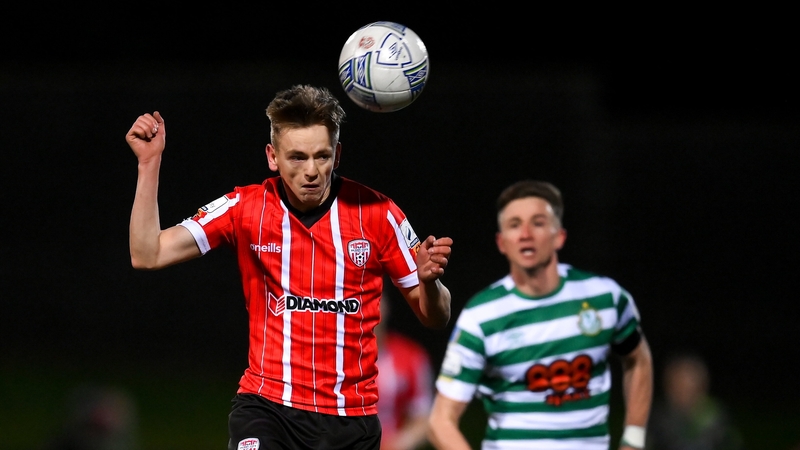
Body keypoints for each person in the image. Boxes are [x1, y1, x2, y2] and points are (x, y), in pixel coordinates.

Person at [125, 84, 453, 450]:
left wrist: (429, 284)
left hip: (351, 421)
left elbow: (435, 316)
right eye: (297, 157)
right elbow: (148, 253)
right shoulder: (244, 207)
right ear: (272, 156)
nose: (311, 171)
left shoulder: (379, 214)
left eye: (322, 156)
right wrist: (149, 163)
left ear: (338, 154)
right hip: (267, 408)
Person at [428, 179, 653, 450]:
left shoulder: (604, 299)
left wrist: (634, 439)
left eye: (537, 222)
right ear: (502, 242)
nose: (525, 233)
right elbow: (440, 421)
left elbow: (638, 361)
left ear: (559, 235)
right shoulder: (482, 316)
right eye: (514, 224)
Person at [376, 281, 435, 450]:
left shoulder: (411, 357)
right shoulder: (334, 358)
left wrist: (400, 443)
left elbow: (423, 417)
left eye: (376, 302)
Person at [646, 352, 744, 450]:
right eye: (676, 388)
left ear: (703, 388)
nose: (682, 396)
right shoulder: (656, 420)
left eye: (689, 389)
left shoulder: (718, 420)